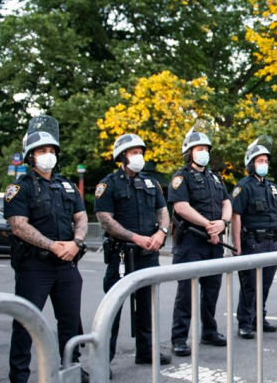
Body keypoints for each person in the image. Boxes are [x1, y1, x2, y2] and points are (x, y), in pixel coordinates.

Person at [4, 115, 89, 383]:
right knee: (26, 323)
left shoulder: (67, 185)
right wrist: (53, 246)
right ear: (31, 156)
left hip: (67, 264)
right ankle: (19, 375)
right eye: (42, 151)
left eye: (51, 151)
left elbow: (82, 217)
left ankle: (71, 367)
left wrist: (75, 243)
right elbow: (19, 226)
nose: (48, 155)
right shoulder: (20, 188)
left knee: (70, 321)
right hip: (35, 267)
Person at [95, 134, 172, 373]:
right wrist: (133, 237)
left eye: (140, 152)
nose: (139, 156)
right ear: (122, 156)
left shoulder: (151, 183)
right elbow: (105, 220)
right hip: (122, 254)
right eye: (133, 152)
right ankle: (102, 360)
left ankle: (146, 351)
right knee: (113, 307)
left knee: (147, 305)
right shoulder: (108, 184)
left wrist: (162, 233)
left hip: (148, 254)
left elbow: (163, 211)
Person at [169, 129, 232, 356]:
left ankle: (209, 331)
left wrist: (223, 223)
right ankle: (179, 338)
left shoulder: (215, 177)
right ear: (189, 152)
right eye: (199, 149)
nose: (203, 153)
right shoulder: (181, 177)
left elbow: (227, 202)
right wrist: (208, 225)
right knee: (186, 292)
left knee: (211, 290)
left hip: (213, 243)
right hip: (190, 243)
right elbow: (181, 207)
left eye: (206, 149)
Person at [232, 136, 277, 339]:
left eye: (265, 161)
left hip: (272, 241)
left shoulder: (273, 187)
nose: (263, 164)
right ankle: (245, 322)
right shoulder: (243, 187)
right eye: (259, 161)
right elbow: (236, 216)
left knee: (265, 284)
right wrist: (236, 246)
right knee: (250, 285)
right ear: (250, 163)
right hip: (253, 242)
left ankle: (259, 318)